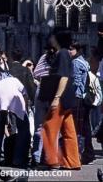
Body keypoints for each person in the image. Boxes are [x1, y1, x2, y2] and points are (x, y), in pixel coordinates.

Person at [41, 28, 81, 170]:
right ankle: (72, 161)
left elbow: (64, 77)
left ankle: (52, 160)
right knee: (68, 130)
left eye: (52, 36)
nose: (50, 38)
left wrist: (56, 97)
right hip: (68, 97)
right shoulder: (64, 54)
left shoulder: (62, 54)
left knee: (48, 128)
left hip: (61, 97)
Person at [70, 42, 94, 164]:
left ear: (77, 50)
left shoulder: (75, 63)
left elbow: (76, 82)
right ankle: (88, 152)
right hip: (85, 97)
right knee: (86, 126)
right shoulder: (85, 62)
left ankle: (79, 153)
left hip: (78, 97)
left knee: (77, 127)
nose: (69, 52)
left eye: (71, 49)